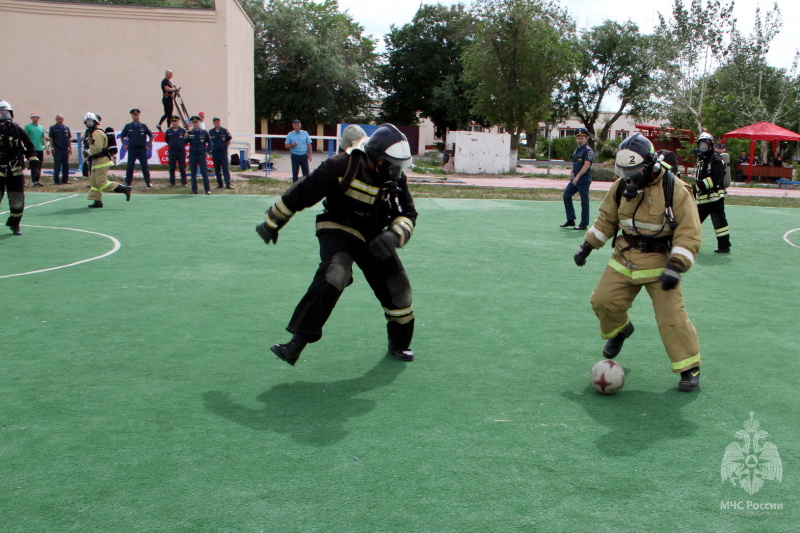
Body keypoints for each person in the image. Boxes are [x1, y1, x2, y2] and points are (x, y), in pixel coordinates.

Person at [255, 123, 418, 366]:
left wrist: (393, 235)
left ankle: (399, 343)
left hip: (374, 234)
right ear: (377, 158)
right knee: (336, 272)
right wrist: (272, 221)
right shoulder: (341, 165)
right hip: (338, 226)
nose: (398, 171)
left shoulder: (394, 178)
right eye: (393, 165)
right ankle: (297, 342)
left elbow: (407, 213)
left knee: (399, 286)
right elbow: (303, 192)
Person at [573, 134, 703, 392]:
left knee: (672, 317)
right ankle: (620, 330)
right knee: (603, 301)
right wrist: (587, 246)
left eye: (634, 171)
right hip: (625, 256)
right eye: (625, 171)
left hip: (660, 263)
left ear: (650, 164)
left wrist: (676, 266)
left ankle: (690, 367)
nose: (629, 177)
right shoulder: (621, 186)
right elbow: (607, 219)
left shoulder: (675, 189)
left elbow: (689, 233)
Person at [0, 100, 37, 235]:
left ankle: (15, 223)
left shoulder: (16, 129)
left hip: (15, 171)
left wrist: (33, 159)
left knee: (17, 200)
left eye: (6, 113)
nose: (4, 116)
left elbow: (28, 144)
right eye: (1, 113)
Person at [693, 132, 731, 254]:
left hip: (714, 198)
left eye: (705, 145)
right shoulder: (702, 160)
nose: (703, 147)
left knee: (719, 224)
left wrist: (696, 187)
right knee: (694, 222)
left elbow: (715, 179)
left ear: (711, 146)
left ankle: (724, 246)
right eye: (701, 145)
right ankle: (723, 246)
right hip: (703, 199)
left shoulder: (716, 159)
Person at [83, 112, 131, 208]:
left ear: (95, 122)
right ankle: (97, 201)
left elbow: (97, 148)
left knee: (101, 182)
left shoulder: (97, 133)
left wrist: (87, 152)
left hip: (102, 161)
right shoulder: (92, 133)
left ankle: (124, 189)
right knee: (94, 182)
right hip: (97, 161)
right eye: (87, 122)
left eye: (90, 122)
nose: (89, 124)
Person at [560, 127, 593, 230]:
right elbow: (576, 164)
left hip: (583, 179)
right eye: (578, 138)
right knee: (566, 195)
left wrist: (577, 176)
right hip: (575, 178)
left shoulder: (588, 151)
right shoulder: (577, 150)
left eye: (582, 138)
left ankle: (583, 224)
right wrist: (572, 172)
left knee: (584, 201)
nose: (580, 140)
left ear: (586, 138)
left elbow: (586, 165)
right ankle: (571, 219)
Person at [120, 108, 154, 188]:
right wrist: (125, 145)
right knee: (130, 166)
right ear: (132, 116)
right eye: (134, 115)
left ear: (139, 115)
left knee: (145, 167)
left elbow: (151, 136)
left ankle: (148, 183)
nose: (135, 116)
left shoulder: (144, 126)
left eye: (137, 115)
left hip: (142, 149)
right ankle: (128, 183)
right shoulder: (128, 126)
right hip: (132, 149)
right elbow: (122, 136)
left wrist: (148, 145)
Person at [185, 115, 211, 194]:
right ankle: (194, 190)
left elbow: (210, 142)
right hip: (192, 155)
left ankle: (207, 190)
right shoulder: (189, 133)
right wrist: (185, 137)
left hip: (201, 155)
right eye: (194, 123)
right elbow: (184, 143)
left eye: (197, 122)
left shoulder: (204, 132)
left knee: (204, 172)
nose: (195, 124)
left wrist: (207, 151)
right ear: (192, 124)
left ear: (199, 123)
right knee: (193, 173)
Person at [24, 112, 48, 187]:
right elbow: (25, 137)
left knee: (39, 165)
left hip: (39, 148)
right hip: (32, 149)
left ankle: (37, 180)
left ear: (39, 118)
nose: (35, 119)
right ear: (31, 118)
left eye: (36, 117)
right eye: (33, 117)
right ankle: (34, 181)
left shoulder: (41, 127)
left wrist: (46, 147)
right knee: (34, 165)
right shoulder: (28, 127)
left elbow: (43, 138)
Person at [209, 117, 234, 189]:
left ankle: (228, 184)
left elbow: (228, 140)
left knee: (225, 169)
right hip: (215, 153)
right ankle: (220, 184)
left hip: (223, 153)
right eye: (216, 122)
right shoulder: (211, 132)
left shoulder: (224, 131)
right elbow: (209, 142)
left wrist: (224, 147)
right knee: (217, 169)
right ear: (213, 123)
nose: (217, 123)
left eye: (218, 122)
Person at [48, 114, 72, 185]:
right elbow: (51, 138)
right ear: (56, 119)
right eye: (58, 119)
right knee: (57, 165)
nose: (60, 120)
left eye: (61, 119)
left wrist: (70, 148)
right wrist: (52, 148)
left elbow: (69, 139)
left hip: (65, 149)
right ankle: (56, 181)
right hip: (57, 149)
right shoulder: (53, 128)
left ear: (63, 119)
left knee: (66, 165)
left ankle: (65, 180)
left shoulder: (66, 128)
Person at [165, 115, 188, 186]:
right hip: (172, 151)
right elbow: (167, 140)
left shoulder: (183, 131)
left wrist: (180, 145)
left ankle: (184, 182)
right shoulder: (168, 131)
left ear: (178, 122)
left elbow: (186, 141)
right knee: (171, 168)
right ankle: (172, 183)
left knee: (182, 168)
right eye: (173, 121)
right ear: (171, 122)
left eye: (176, 121)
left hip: (181, 151)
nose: (175, 123)